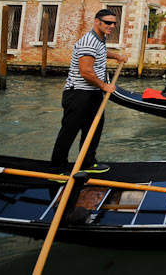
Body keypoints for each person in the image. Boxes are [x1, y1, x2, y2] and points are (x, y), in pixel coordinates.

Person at [51, 9, 128, 173]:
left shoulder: (100, 39)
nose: (112, 26)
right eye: (108, 22)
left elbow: (100, 52)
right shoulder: (88, 41)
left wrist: (116, 56)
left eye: (114, 23)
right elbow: (85, 71)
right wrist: (104, 86)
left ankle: (87, 162)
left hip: (93, 93)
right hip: (78, 93)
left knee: (94, 128)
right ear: (97, 21)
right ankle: (57, 168)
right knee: (69, 131)